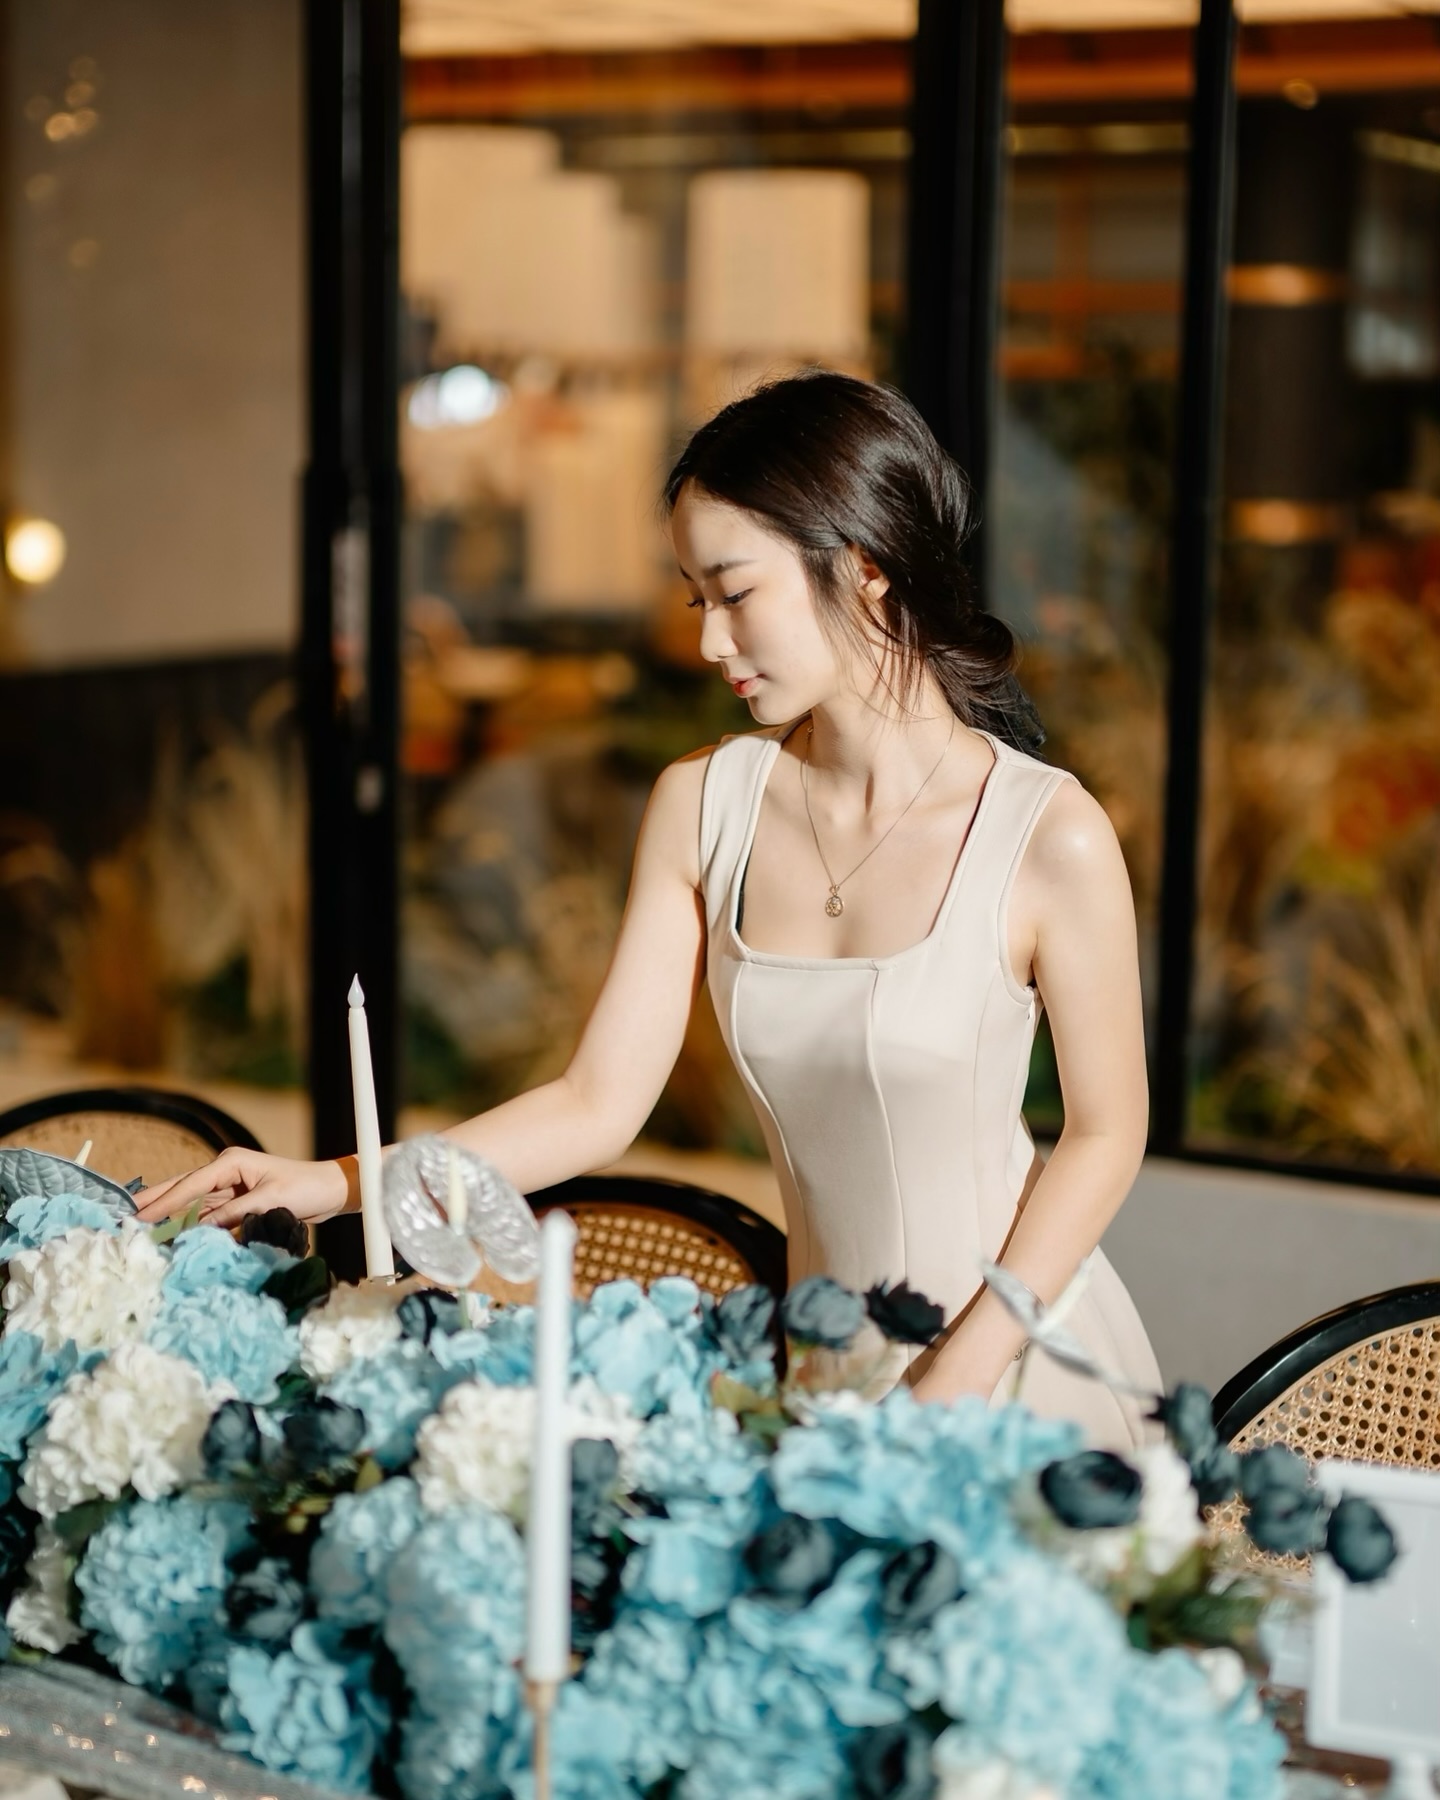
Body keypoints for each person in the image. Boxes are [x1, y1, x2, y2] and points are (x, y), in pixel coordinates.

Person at [139, 370, 1161, 1448]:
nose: (710, 642)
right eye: (694, 600)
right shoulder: (703, 805)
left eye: (736, 593)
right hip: (821, 1385)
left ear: (864, 568)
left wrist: (961, 1374)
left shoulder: (1048, 833)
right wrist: (338, 1182)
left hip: (1014, 1380)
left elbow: (1105, 1135)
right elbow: (593, 1103)